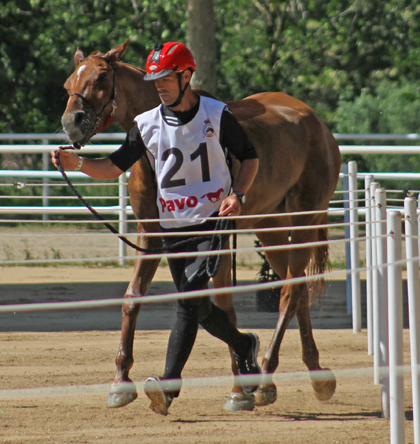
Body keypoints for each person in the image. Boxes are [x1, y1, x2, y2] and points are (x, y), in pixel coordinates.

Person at [52, 42, 260, 416]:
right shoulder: (146, 124)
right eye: (154, 80)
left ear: (185, 76)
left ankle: (167, 386)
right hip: (172, 224)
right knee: (193, 305)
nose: (158, 86)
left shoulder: (217, 114)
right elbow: (115, 166)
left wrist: (239, 195)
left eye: (165, 79)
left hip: (212, 220)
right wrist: (78, 161)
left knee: (187, 302)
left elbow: (249, 157)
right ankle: (244, 346)